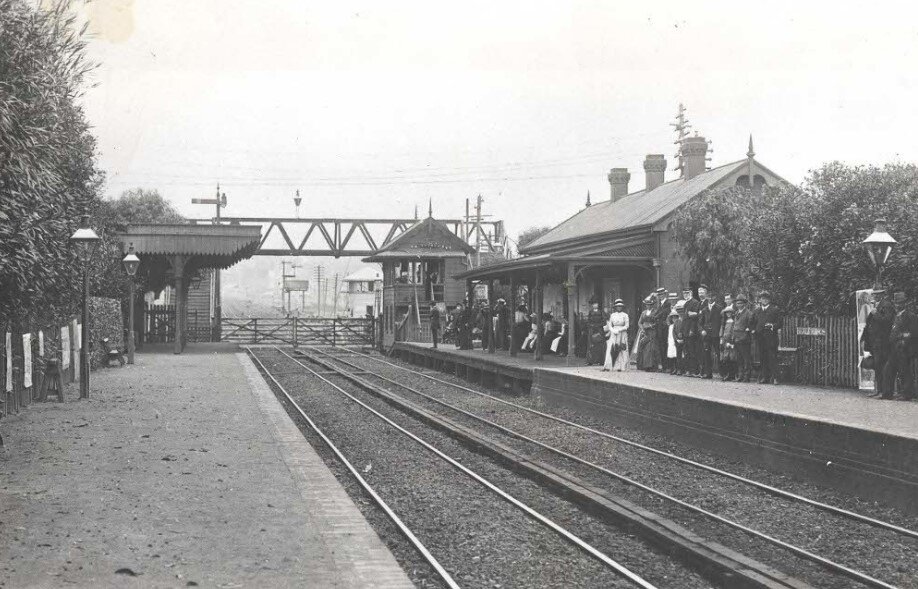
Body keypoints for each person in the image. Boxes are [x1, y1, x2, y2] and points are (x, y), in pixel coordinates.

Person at [882, 291, 918, 401]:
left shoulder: (910, 316)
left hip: (904, 349)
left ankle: (907, 395)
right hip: (893, 349)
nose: (898, 305)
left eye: (900, 303)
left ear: (905, 303)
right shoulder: (895, 316)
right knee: (888, 370)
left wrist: (902, 339)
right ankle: (887, 394)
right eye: (896, 303)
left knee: (904, 371)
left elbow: (914, 333)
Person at [861, 289, 895, 398]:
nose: (874, 296)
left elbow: (887, 321)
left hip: (882, 342)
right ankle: (879, 390)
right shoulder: (877, 305)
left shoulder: (887, 305)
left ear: (882, 295)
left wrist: (875, 314)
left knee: (882, 367)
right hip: (875, 342)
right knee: (877, 366)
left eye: (877, 294)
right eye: (874, 294)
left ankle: (884, 392)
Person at [754, 291, 782, 384]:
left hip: (771, 338)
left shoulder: (775, 310)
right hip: (760, 337)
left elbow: (779, 323)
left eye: (766, 298)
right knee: (762, 358)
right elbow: (752, 322)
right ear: (760, 299)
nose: (764, 300)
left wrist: (772, 325)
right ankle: (764, 377)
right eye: (762, 298)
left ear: (769, 300)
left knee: (772, 357)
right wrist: (754, 329)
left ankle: (775, 378)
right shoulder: (757, 311)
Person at [698, 284, 722, 379]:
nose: (710, 298)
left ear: (715, 297)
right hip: (707, 335)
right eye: (709, 297)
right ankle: (708, 373)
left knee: (718, 353)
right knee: (706, 353)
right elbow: (700, 323)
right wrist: (702, 330)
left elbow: (722, 322)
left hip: (716, 335)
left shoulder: (719, 308)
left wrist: (720, 333)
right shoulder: (704, 310)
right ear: (707, 297)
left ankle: (722, 373)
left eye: (712, 297)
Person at [733, 294, 755, 382]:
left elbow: (750, 326)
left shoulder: (749, 313)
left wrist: (745, 335)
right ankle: (740, 375)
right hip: (736, 339)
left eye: (740, 303)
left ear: (744, 304)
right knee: (739, 359)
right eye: (737, 303)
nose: (738, 305)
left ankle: (747, 376)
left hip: (745, 339)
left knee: (746, 359)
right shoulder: (736, 313)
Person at [603, 299, 629, 371]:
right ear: (615, 307)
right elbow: (610, 325)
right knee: (611, 347)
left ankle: (621, 366)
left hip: (622, 333)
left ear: (622, 307)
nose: (619, 308)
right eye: (617, 306)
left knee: (622, 348)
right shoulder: (612, 315)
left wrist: (619, 330)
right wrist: (613, 330)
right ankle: (609, 366)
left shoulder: (625, 315)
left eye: (620, 306)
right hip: (614, 333)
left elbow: (627, 326)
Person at [636, 296, 660, 371]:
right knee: (643, 347)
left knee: (651, 348)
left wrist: (651, 325)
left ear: (652, 305)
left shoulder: (655, 312)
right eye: (647, 304)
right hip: (644, 332)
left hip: (652, 331)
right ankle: (643, 365)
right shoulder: (643, 312)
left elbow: (657, 322)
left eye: (649, 304)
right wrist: (642, 328)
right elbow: (639, 322)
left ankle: (652, 366)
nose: (648, 306)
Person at [681, 286, 701, 376]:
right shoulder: (686, 304)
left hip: (691, 330)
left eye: (687, 293)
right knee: (687, 351)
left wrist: (692, 330)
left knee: (693, 351)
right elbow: (684, 319)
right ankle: (688, 370)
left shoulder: (695, 302)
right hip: (685, 330)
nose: (686, 295)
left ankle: (694, 370)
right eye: (684, 293)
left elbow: (694, 319)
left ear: (691, 293)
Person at [653, 288, 671, 371]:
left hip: (665, 327)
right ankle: (664, 366)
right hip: (660, 327)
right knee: (661, 346)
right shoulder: (660, 304)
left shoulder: (667, 303)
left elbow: (664, 312)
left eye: (661, 294)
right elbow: (657, 312)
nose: (660, 296)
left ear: (664, 294)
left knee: (665, 345)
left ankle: (667, 366)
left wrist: (656, 316)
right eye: (659, 295)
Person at [719, 306, 737, 381]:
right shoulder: (724, 321)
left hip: (731, 341)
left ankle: (732, 375)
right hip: (724, 341)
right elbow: (722, 331)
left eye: (729, 312)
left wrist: (731, 341)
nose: (728, 314)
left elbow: (733, 331)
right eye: (727, 313)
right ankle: (726, 374)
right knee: (725, 358)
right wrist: (721, 339)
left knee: (732, 358)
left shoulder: (734, 321)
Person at [586, 299, 606, 365]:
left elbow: (604, 321)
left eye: (596, 304)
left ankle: (601, 361)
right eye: (594, 304)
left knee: (600, 345)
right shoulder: (590, 312)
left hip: (599, 330)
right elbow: (588, 321)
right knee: (591, 345)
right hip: (592, 330)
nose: (595, 305)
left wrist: (598, 325)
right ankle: (590, 361)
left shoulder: (601, 312)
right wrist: (592, 325)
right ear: (592, 305)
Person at [672, 300, 686, 374]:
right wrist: (676, 339)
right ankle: (679, 369)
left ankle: (684, 369)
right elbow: (673, 332)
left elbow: (685, 330)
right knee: (678, 356)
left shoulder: (685, 321)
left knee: (685, 355)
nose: (680, 313)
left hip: (684, 341)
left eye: (682, 311)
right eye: (679, 312)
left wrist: (683, 338)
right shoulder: (676, 321)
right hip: (678, 341)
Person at [666, 305, 679, 372]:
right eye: (673, 318)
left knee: (676, 354)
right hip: (671, 341)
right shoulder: (670, 326)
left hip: (676, 341)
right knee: (671, 355)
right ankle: (672, 368)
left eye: (675, 318)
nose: (674, 319)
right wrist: (668, 341)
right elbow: (669, 335)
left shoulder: (678, 325)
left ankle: (677, 368)